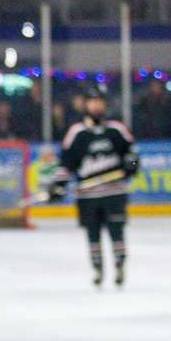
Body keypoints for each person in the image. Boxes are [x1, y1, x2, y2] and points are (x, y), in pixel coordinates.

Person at [48, 87, 138, 289]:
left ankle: (119, 265)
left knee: (116, 230)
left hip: (114, 193)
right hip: (87, 196)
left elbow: (132, 156)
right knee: (93, 233)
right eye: (92, 101)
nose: (96, 105)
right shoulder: (76, 133)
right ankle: (98, 268)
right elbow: (66, 163)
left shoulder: (117, 129)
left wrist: (130, 166)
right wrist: (59, 185)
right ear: (85, 105)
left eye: (100, 101)